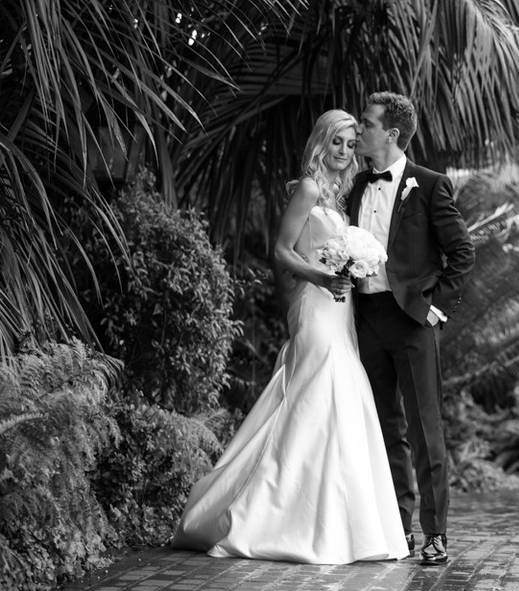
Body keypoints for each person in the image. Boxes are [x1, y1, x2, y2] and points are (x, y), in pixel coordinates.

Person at [170, 109, 409, 564]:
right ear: (320, 142)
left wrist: (353, 267)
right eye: (335, 142)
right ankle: (274, 515)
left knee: (340, 397)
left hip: (341, 308)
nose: (343, 151)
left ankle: (339, 521)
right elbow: (280, 251)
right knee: (318, 391)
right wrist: (320, 278)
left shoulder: (342, 196)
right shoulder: (310, 188)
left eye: (349, 142)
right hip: (315, 306)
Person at [348, 92, 476, 565]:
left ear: (392, 133)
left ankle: (435, 534)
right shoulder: (356, 186)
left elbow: (462, 252)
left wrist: (436, 311)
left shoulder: (429, 184)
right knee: (385, 428)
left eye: (367, 123)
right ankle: (397, 529)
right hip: (364, 319)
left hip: (412, 321)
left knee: (425, 430)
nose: (360, 131)